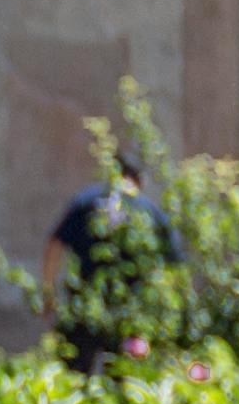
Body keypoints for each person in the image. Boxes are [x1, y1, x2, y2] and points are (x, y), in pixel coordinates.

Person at [42, 149, 168, 375]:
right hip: (129, 310)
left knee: (73, 381)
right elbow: (170, 264)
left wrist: (48, 292)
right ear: (139, 179)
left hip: (85, 304)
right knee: (126, 384)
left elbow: (55, 246)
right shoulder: (147, 211)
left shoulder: (86, 201)